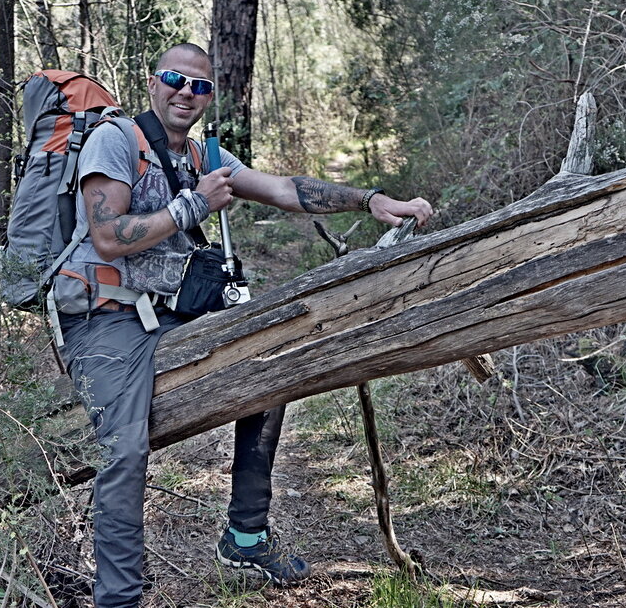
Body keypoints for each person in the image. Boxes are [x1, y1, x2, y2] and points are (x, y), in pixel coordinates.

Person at [58, 42, 433, 607]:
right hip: (105, 315)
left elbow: (284, 189)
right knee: (126, 450)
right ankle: (119, 599)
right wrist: (194, 207)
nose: (186, 92)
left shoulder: (202, 154)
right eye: (175, 80)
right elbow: (109, 238)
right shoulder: (115, 141)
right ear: (153, 82)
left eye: (200, 86)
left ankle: (245, 538)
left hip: (167, 308)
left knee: (267, 367)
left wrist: (372, 200)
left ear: (210, 96)